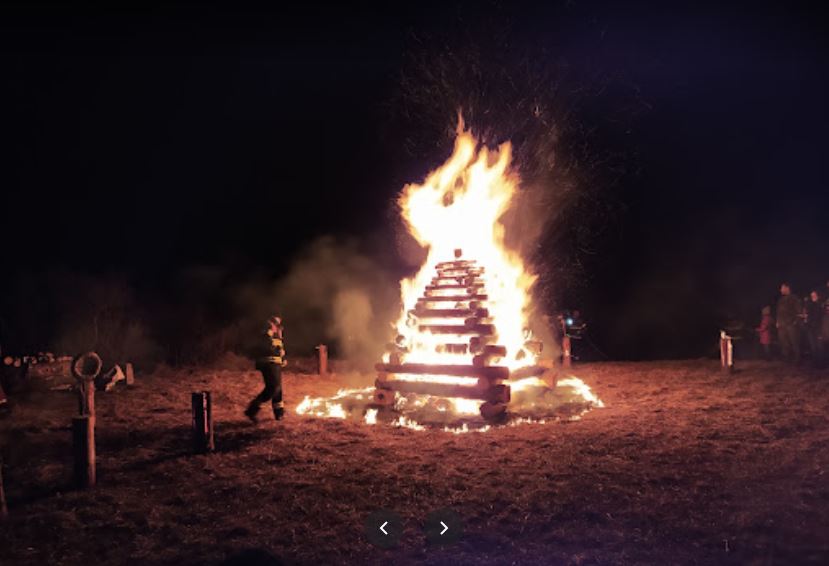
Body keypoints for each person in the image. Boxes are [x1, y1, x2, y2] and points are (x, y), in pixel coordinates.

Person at [245, 315, 287, 423]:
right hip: (268, 363)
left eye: (279, 324)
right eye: (276, 323)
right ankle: (252, 410)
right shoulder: (265, 332)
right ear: (270, 322)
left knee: (278, 389)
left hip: (275, 363)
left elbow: (279, 347)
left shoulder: (276, 334)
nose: (278, 326)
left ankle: (279, 414)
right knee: (273, 388)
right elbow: (266, 347)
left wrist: (283, 358)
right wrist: (278, 352)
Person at [776, 283, 801, 364]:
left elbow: (798, 311)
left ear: (787, 288)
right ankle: (786, 358)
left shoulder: (794, 298)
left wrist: (795, 321)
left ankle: (797, 358)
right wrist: (777, 321)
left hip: (790, 324)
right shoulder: (780, 300)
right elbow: (778, 312)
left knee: (794, 341)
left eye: (782, 288)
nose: (781, 290)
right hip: (782, 324)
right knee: (784, 342)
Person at [803, 290, 823, 366]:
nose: (813, 297)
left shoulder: (821, 304)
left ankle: (821, 363)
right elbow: (808, 315)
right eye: (811, 296)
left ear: (818, 296)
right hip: (810, 329)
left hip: (818, 329)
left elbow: (820, 317)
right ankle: (815, 362)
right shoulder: (810, 305)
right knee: (813, 346)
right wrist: (806, 318)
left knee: (819, 346)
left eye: (814, 295)